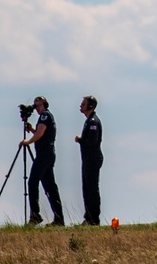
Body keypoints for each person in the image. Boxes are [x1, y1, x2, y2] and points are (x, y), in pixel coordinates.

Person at [21, 95, 65, 226]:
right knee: (50, 187)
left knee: (33, 182)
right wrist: (33, 130)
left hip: (44, 154)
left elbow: (40, 134)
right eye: (36, 106)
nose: (37, 108)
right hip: (47, 153)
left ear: (45, 105)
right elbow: (42, 134)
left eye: (39, 105)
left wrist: (27, 141)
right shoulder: (46, 117)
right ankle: (59, 218)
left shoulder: (45, 116)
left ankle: (35, 215)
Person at [74, 95, 103, 226]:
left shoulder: (93, 122)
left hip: (92, 159)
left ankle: (93, 218)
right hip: (87, 159)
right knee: (87, 188)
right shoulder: (88, 121)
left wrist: (80, 140)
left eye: (83, 104)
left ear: (90, 106)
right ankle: (88, 217)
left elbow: (92, 141)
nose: (81, 106)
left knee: (91, 188)